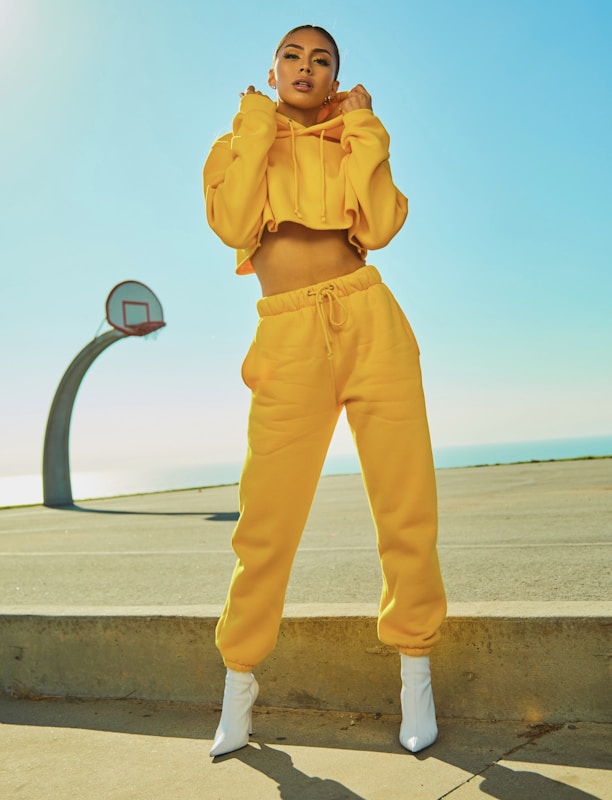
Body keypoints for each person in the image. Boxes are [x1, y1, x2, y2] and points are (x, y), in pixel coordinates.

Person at [202, 24, 446, 757]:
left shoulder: (353, 137)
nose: (306, 68)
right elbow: (232, 223)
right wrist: (255, 125)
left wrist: (365, 127)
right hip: (288, 339)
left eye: (322, 60)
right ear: (271, 70)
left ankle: (415, 670)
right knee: (265, 523)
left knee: (408, 506)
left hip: (370, 317)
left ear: (337, 76)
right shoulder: (235, 143)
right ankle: (239, 683)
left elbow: (381, 222)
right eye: (292, 57)